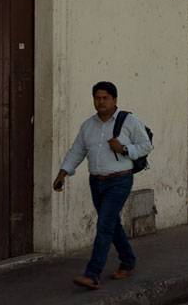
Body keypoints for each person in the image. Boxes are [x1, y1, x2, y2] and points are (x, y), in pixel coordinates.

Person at [53, 81, 154, 290]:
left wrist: (124, 148)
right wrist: (63, 173)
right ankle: (128, 261)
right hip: (96, 182)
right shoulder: (88, 125)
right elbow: (77, 151)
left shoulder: (129, 121)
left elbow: (146, 146)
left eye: (105, 98)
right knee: (112, 224)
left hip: (120, 180)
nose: (100, 102)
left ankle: (92, 273)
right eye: (97, 98)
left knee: (104, 225)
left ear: (114, 100)